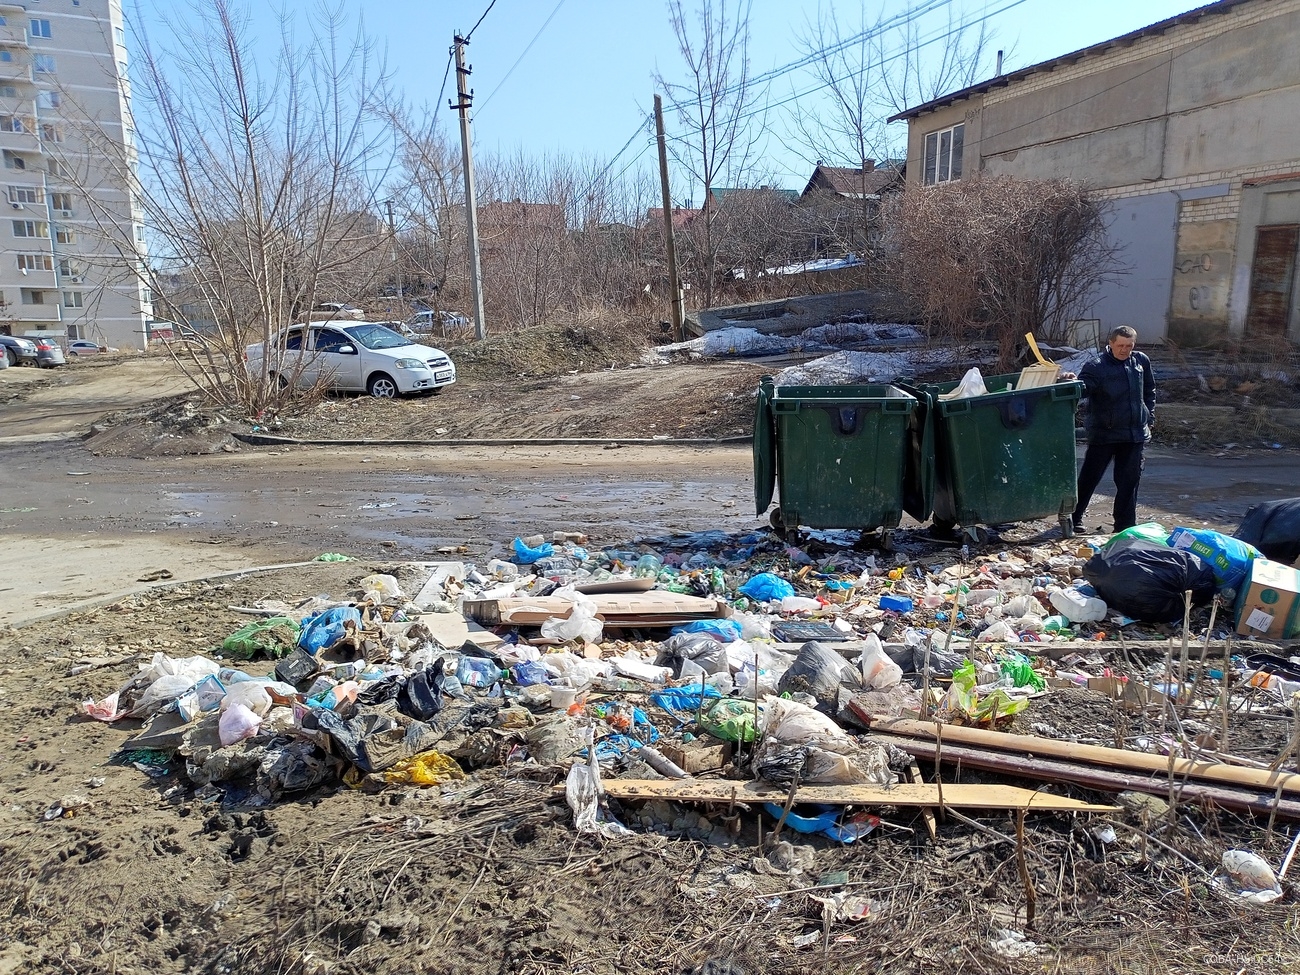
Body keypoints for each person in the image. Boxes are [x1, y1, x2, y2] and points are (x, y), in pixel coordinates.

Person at [1067, 325, 1156, 533]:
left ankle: (1124, 526)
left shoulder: (1141, 361)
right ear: (1110, 344)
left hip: (1134, 433)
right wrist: (1072, 383)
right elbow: (1084, 388)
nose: (1124, 350)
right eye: (1120, 345)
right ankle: (1074, 518)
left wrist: (1149, 416)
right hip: (1104, 434)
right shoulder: (1097, 366)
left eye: (1129, 345)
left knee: (1129, 482)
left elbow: (1149, 390)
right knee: (1090, 478)